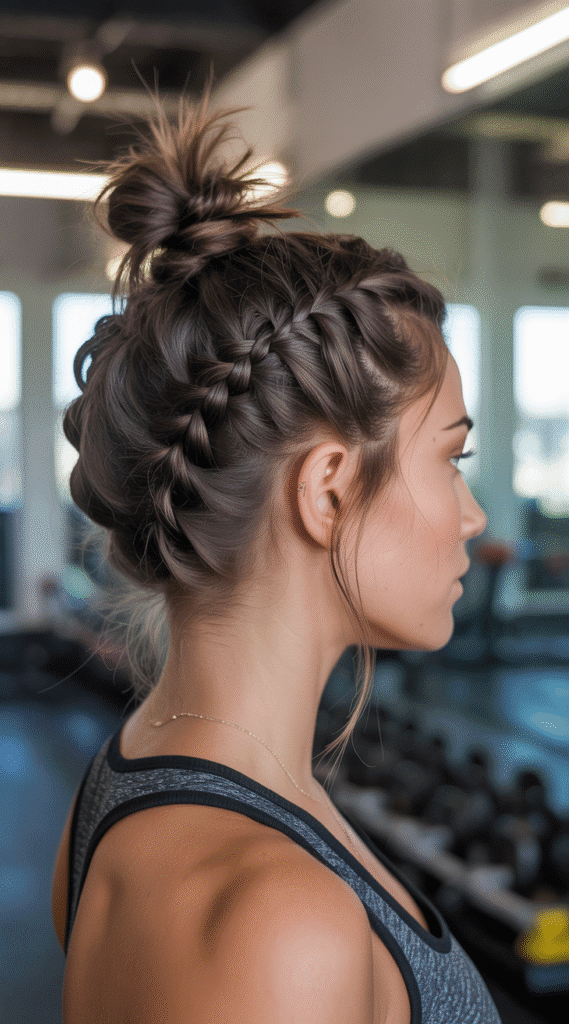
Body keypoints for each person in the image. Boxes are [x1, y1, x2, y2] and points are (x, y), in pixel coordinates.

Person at [51, 92, 497, 1024]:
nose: (472, 514)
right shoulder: (277, 925)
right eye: (452, 458)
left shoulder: (124, 785)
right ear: (328, 488)